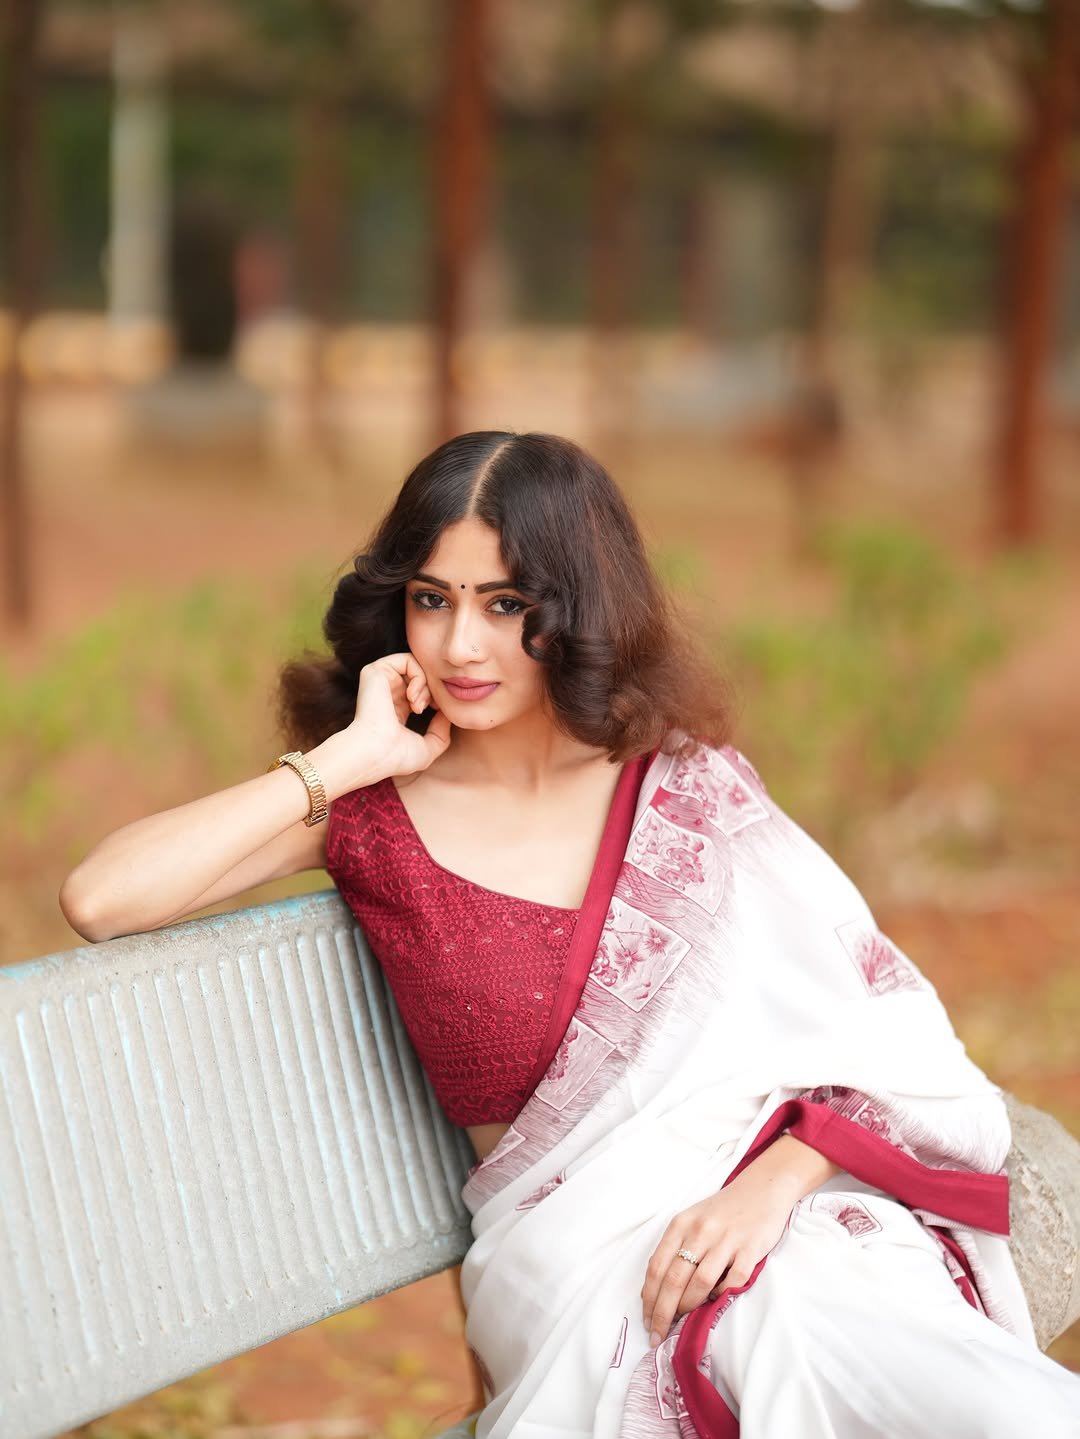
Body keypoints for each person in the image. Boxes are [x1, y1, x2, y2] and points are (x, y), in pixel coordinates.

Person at [60, 431, 1080, 1438]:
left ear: (579, 611)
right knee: (795, 1328)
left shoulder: (683, 789)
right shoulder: (373, 807)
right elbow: (105, 896)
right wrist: (349, 754)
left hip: (782, 1222)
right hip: (585, 1268)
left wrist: (779, 1179)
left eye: (507, 605)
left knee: (819, 1312)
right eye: (432, 597)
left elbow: (881, 1024)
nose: (461, 645)